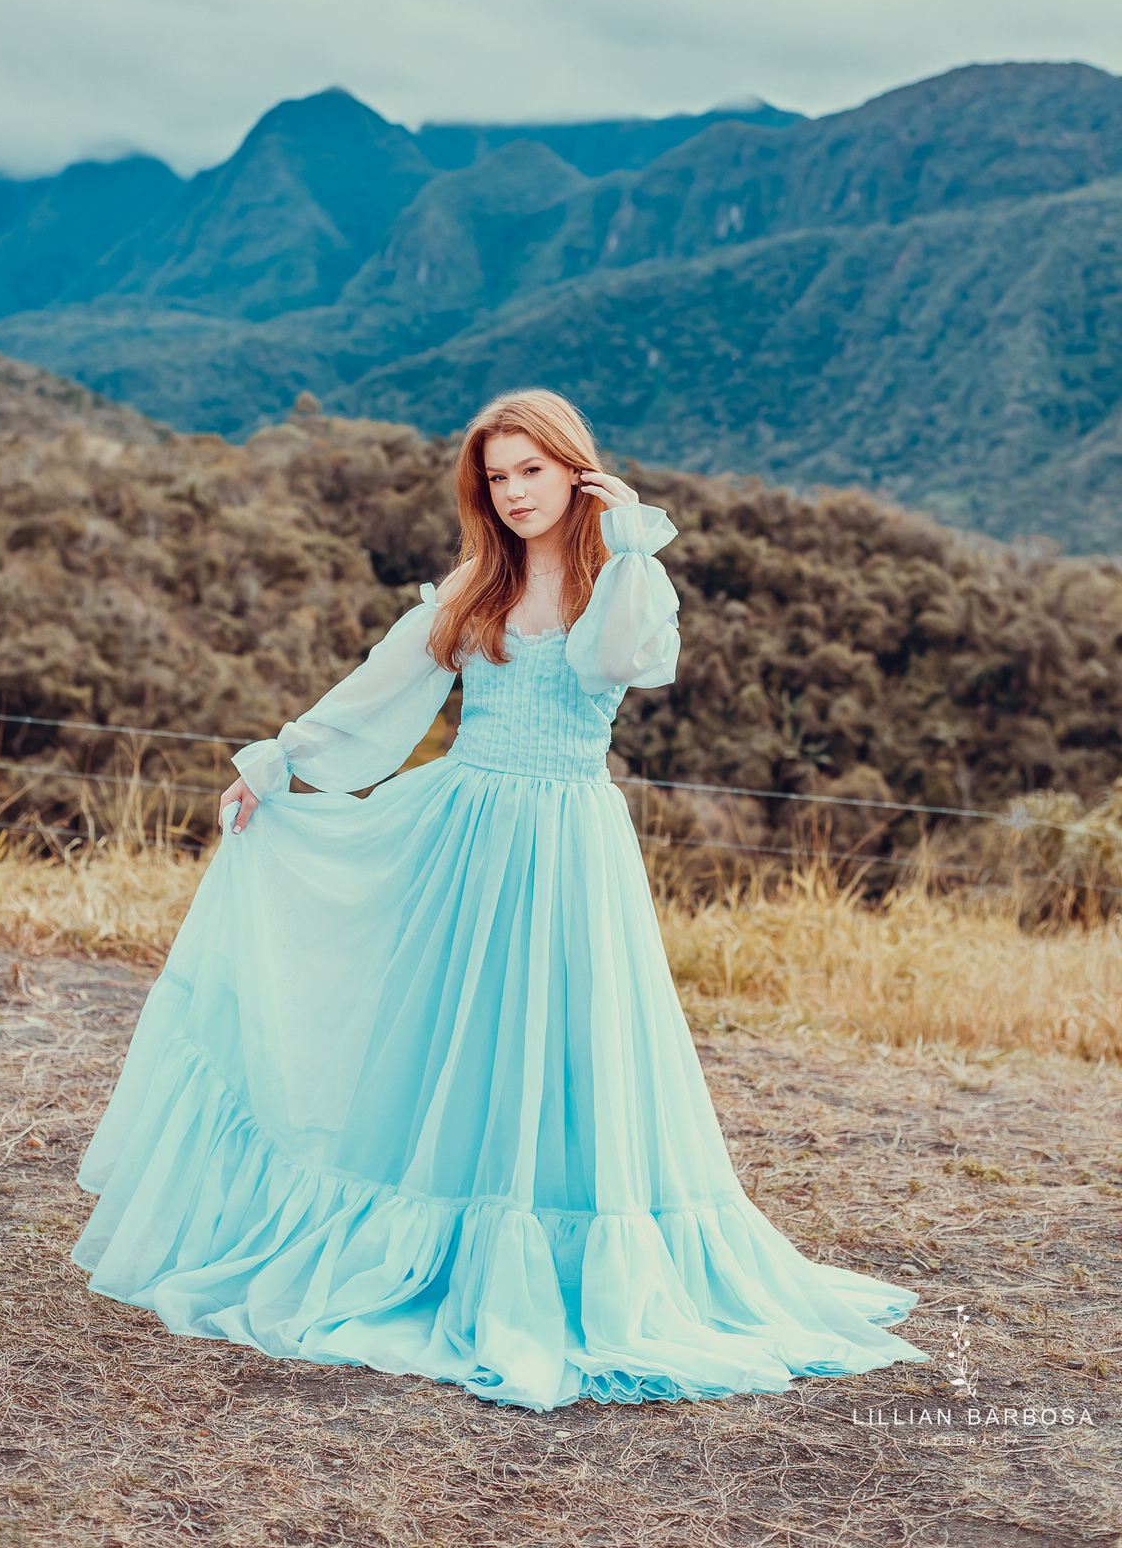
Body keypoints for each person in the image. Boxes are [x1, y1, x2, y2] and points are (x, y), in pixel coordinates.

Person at [73, 388, 925, 1411]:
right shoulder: (479, 580)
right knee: (457, 1034)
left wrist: (630, 536)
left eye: (533, 470)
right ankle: (438, 1245)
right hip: (466, 829)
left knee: (571, 1037)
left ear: (575, 468)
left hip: (568, 838)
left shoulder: (624, 580)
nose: (515, 493)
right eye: (497, 477)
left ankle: (567, 1259)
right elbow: (383, 686)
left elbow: (617, 664)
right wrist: (279, 763)